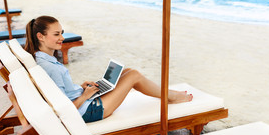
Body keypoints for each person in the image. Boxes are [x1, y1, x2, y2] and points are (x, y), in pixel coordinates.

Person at [25, 16, 193, 123]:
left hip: (85, 100)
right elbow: (61, 109)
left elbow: (61, 91)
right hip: (90, 111)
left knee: (127, 71)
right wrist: (84, 96)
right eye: (56, 34)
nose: (62, 38)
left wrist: (80, 87)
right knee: (133, 75)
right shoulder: (48, 66)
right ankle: (172, 96)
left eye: (61, 33)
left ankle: (168, 95)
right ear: (40, 36)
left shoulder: (42, 59)